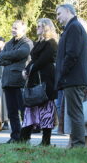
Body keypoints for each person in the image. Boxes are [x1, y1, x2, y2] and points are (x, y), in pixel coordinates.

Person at [55, 4, 87, 147]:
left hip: (73, 78)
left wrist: (63, 72)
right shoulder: (71, 27)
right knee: (74, 113)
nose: (57, 18)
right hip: (72, 78)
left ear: (68, 11)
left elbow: (72, 54)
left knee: (75, 113)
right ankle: (77, 144)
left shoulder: (74, 27)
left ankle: (78, 145)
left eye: (59, 14)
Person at [20, 18, 58, 146]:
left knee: (46, 109)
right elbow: (33, 60)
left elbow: (43, 60)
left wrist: (30, 69)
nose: (37, 28)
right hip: (34, 78)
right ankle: (24, 137)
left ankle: (46, 141)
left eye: (40, 26)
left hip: (46, 78)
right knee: (30, 107)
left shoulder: (51, 43)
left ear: (46, 28)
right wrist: (25, 70)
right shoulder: (38, 42)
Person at [0, 20, 33, 143]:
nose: (13, 29)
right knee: (12, 112)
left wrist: (6, 55)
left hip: (20, 81)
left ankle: (25, 137)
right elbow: (0, 59)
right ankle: (15, 136)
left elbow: (22, 53)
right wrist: (12, 58)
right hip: (8, 82)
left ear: (23, 30)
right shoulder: (8, 43)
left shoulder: (27, 43)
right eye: (12, 27)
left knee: (24, 111)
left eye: (16, 28)